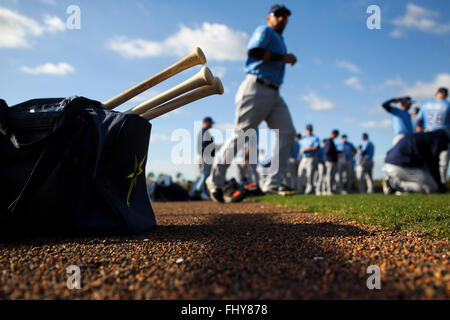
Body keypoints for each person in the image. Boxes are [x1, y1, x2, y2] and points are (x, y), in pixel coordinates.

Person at [206, 4, 297, 202]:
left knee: (288, 132)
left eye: (286, 16)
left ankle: (272, 183)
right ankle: (215, 181)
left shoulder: (280, 40)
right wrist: (283, 58)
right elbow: (254, 52)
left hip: (274, 92)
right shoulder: (265, 31)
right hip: (256, 87)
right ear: (269, 18)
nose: (282, 19)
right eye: (278, 15)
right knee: (242, 134)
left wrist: (283, 57)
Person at [382, 129, 449, 194]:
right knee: (432, 187)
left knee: (425, 180)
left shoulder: (424, 136)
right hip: (399, 166)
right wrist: (439, 184)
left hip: (390, 164)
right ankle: (395, 184)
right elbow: (433, 163)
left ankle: (395, 181)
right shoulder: (439, 138)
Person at [414, 87, 450, 184]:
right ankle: (440, 184)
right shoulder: (448, 104)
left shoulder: (427, 104)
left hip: (428, 133)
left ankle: (430, 183)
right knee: (443, 162)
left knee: (428, 160)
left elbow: (419, 121)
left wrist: (419, 135)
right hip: (442, 133)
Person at [297, 124, 320, 194]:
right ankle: (300, 189)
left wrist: (307, 150)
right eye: (308, 129)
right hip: (303, 158)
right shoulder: (304, 138)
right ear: (306, 130)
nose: (309, 131)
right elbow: (296, 139)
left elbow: (317, 148)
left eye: (310, 129)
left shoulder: (315, 138)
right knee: (300, 173)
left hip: (311, 158)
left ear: (312, 130)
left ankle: (309, 191)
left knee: (310, 175)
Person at [323, 130, 339, 195]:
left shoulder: (331, 141)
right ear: (334, 134)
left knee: (331, 176)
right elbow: (328, 151)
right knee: (329, 176)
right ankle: (328, 190)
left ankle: (330, 190)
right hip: (330, 161)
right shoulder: (329, 141)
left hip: (330, 160)